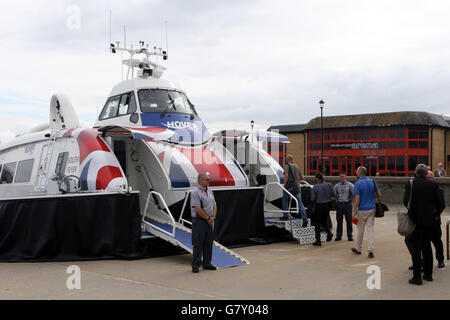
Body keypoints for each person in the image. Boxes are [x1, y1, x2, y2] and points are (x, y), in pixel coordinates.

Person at [403, 164, 445, 285]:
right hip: (430, 221)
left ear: (416, 172)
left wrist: (412, 212)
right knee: (427, 247)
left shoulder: (410, 184)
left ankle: (417, 277)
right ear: (426, 173)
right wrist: (436, 214)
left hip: (415, 220)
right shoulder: (434, 184)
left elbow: (406, 201)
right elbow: (441, 204)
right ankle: (428, 275)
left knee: (416, 249)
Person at [351, 166, 380, 258]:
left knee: (360, 230)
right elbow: (379, 194)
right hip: (372, 208)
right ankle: (370, 250)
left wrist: (354, 210)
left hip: (362, 209)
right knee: (370, 229)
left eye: (356, 171)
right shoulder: (372, 181)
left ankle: (358, 248)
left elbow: (357, 199)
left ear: (359, 173)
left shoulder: (358, 183)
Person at [191, 173, 217, 273]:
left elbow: (214, 205)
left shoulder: (210, 191)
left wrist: (213, 217)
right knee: (198, 243)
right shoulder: (195, 193)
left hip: (209, 221)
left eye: (209, 179)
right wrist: (207, 218)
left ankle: (207, 263)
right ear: (201, 181)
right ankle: (195, 265)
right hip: (199, 221)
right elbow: (197, 208)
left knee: (208, 242)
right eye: (207, 180)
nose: (209, 181)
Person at [282, 155, 307, 226]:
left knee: (284, 199)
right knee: (300, 202)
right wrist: (296, 181)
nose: (285, 160)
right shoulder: (297, 166)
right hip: (297, 187)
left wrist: (284, 186)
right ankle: (304, 218)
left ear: (288, 159)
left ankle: (286, 215)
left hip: (289, 187)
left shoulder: (286, 166)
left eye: (286, 159)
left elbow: (286, 175)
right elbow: (302, 178)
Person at [310, 172, 333, 246]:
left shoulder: (315, 187)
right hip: (327, 206)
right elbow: (333, 194)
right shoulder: (329, 185)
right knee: (324, 221)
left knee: (317, 223)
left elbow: (312, 198)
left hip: (319, 206)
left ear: (317, 178)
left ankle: (318, 240)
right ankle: (329, 233)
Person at [333, 172, 354, 241]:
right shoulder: (336, 186)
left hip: (348, 204)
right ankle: (339, 236)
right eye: (341, 176)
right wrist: (338, 200)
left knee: (349, 221)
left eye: (343, 176)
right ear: (339, 177)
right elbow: (335, 194)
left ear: (346, 177)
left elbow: (354, 194)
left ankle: (350, 236)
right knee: (339, 221)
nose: (342, 178)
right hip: (340, 205)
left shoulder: (350, 185)